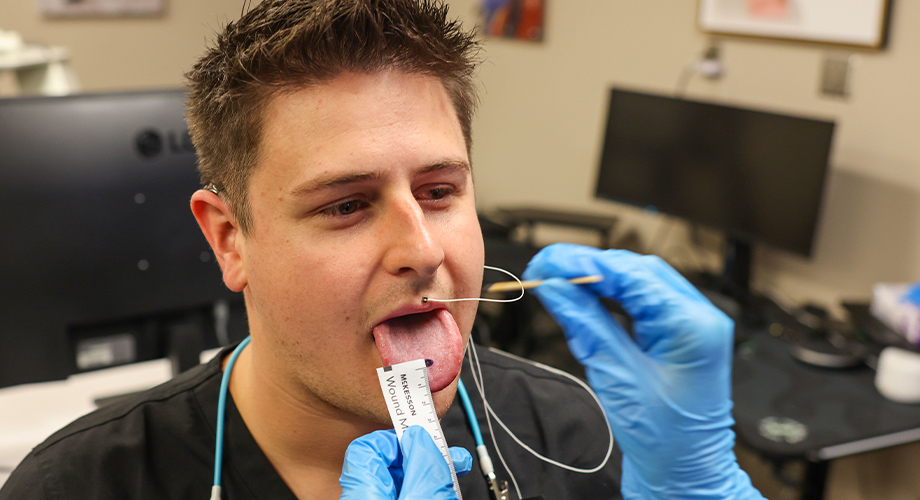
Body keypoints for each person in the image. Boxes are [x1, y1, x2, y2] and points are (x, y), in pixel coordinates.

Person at [0, 1, 762, 499]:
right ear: (230, 240)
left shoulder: (578, 435)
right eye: (346, 205)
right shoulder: (78, 484)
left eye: (439, 191)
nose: (423, 251)